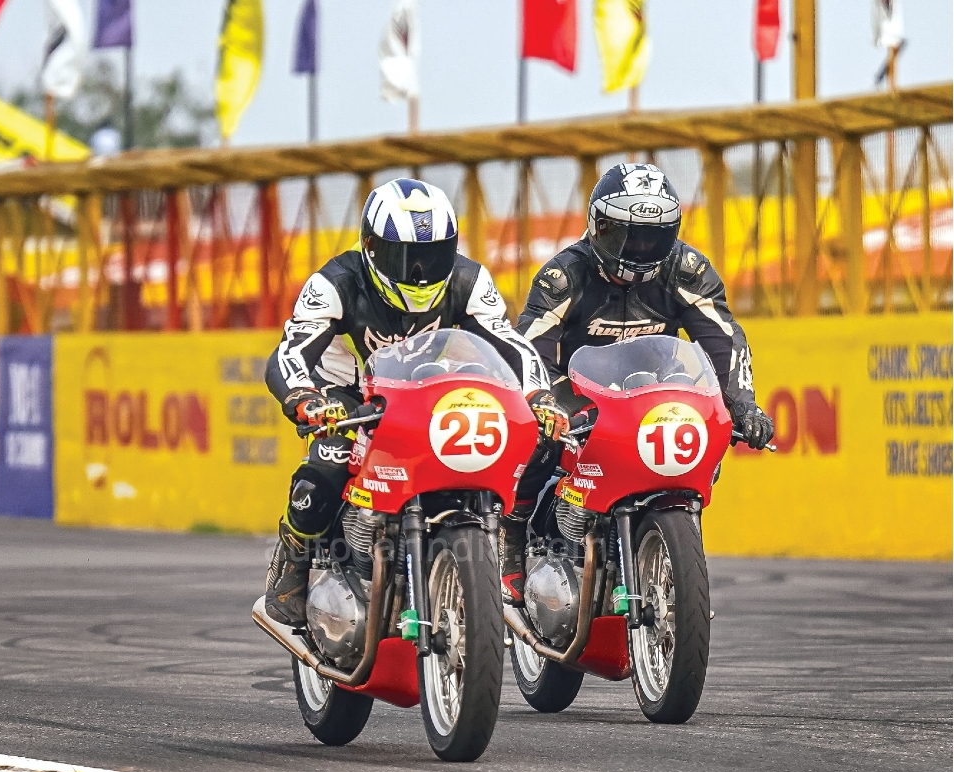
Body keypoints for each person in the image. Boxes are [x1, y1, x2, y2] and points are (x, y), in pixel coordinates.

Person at [262, 178, 566, 626]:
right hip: (347, 391)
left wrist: (538, 395)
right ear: (370, 246)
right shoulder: (334, 282)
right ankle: (294, 558)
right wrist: (304, 397)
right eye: (403, 257)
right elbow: (290, 352)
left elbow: (510, 344)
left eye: (434, 255)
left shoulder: (469, 279)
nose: (420, 272)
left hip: (427, 388)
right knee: (329, 463)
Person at [506, 162, 776, 602]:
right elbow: (531, 348)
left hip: (651, 391)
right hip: (576, 394)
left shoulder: (687, 271)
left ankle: (672, 551)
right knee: (538, 432)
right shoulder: (564, 276)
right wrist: (548, 402)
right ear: (597, 226)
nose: (640, 247)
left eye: (655, 236)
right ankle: (512, 532)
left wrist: (744, 404)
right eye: (626, 234)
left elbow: (724, 338)